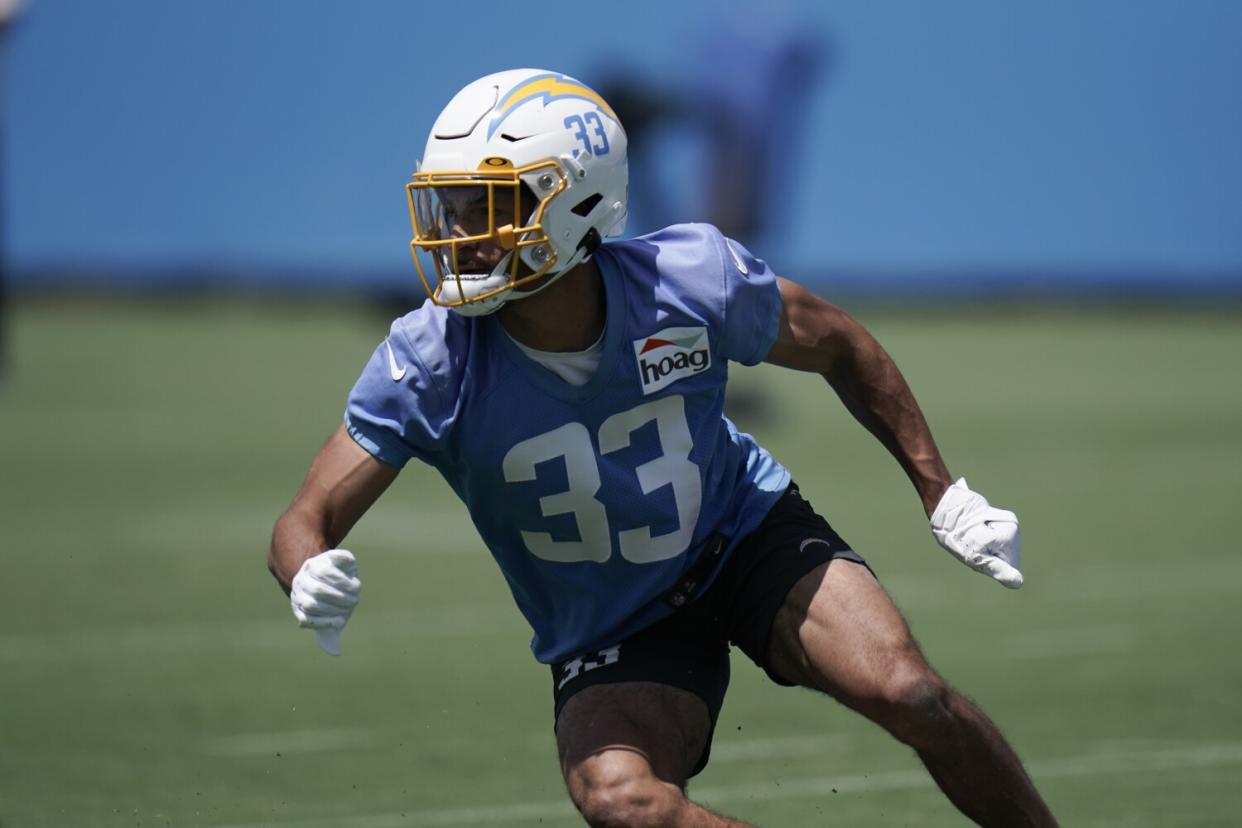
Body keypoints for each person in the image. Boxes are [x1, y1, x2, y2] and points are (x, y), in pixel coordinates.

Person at [268, 68, 1058, 827]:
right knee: (622, 803)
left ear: (575, 203)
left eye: (491, 206)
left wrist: (941, 491)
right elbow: (306, 517)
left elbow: (839, 344)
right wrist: (306, 567)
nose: (463, 235)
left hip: (743, 536)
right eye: (453, 207)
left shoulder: (687, 280)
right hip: (613, 622)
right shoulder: (430, 360)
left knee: (909, 692)